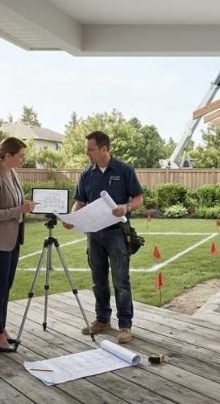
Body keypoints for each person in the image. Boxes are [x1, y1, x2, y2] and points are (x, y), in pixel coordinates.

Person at [64, 131, 143, 344]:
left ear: (104, 149)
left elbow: (138, 198)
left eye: (90, 149)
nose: (86, 153)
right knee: (98, 280)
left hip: (117, 234)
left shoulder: (124, 170)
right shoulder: (86, 174)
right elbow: (79, 202)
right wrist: (72, 217)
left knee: (120, 280)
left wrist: (125, 207)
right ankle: (102, 320)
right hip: (93, 234)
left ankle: (125, 325)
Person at [0, 137, 36, 352]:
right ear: (7, 156)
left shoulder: (12, 174)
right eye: (20, 155)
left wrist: (25, 207)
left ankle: (1, 328)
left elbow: (15, 206)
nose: (23, 159)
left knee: (6, 287)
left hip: (13, 240)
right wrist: (19, 211)